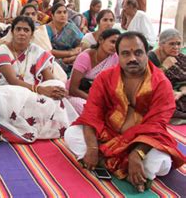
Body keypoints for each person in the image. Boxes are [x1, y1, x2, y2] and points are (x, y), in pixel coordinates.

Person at [65, 32, 186, 193]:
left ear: (147, 52)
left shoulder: (161, 84)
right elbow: (91, 114)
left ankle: (108, 162)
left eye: (138, 52)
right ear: (118, 56)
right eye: (125, 54)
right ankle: (124, 169)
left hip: (142, 139)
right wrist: (93, 148)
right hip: (109, 134)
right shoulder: (105, 78)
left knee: (161, 163)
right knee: (71, 134)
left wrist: (137, 154)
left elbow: (156, 126)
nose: (132, 58)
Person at [0, 16, 78, 143]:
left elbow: (48, 78)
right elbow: (12, 80)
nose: (22, 33)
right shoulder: (3, 50)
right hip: (10, 93)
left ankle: (35, 122)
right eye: (18, 29)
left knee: (57, 84)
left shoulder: (37, 51)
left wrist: (55, 89)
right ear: (12, 32)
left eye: (26, 30)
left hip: (34, 94)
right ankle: (33, 124)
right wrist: (40, 89)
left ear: (31, 34)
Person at [68, 29, 120, 114]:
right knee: (85, 108)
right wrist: (95, 101)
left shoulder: (115, 58)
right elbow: (73, 89)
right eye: (112, 42)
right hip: (79, 95)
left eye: (117, 44)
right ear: (101, 40)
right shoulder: (85, 57)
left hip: (100, 96)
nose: (115, 46)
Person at [148, 29, 186, 125]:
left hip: (178, 93)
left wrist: (180, 93)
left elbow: (183, 80)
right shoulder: (150, 58)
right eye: (172, 44)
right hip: (158, 93)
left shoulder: (180, 57)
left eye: (178, 43)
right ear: (161, 45)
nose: (176, 47)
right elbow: (147, 82)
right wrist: (164, 67)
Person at [46, 3, 84, 74]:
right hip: (52, 60)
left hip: (71, 59)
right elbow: (48, 51)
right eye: (59, 12)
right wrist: (70, 53)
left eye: (65, 12)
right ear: (52, 15)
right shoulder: (46, 29)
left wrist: (78, 48)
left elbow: (82, 42)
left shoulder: (71, 27)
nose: (62, 15)